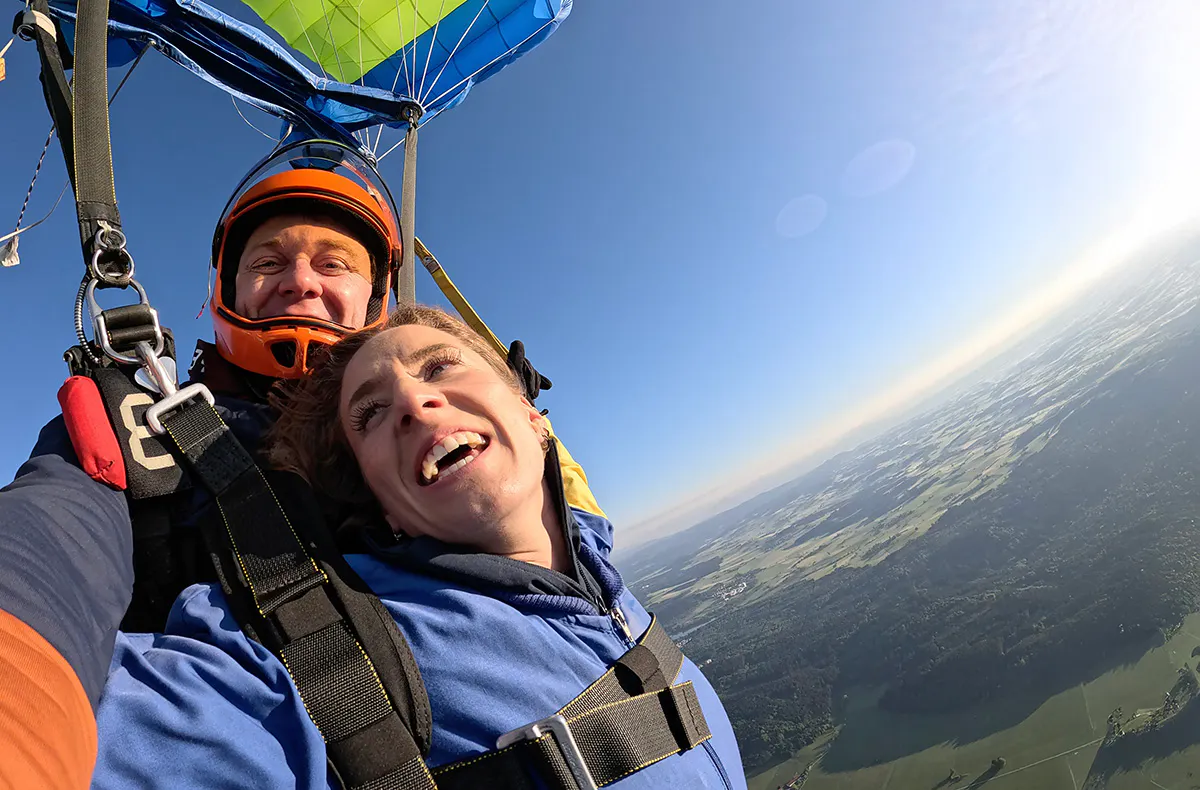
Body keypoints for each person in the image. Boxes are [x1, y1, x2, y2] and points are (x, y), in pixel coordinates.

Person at [87, 304, 748, 789]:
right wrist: (67, 500)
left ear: (532, 415)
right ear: (383, 504)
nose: (413, 401)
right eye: (370, 414)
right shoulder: (340, 661)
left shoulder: (593, 556)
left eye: (440, 366)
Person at [0, 153, 401, 789]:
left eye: (335, 263)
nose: (300, 280)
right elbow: (50, 543)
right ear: (226, 290)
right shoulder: (139, 429)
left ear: (376, 295)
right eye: (268, 262)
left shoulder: (439, 418)